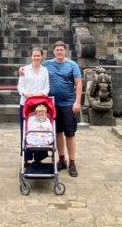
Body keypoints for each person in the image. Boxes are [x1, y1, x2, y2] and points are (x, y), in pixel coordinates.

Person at [23, 41, 83, 176]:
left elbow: (78, 84)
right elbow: (34, 65)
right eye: (57, 50)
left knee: (70, 133)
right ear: (54, 52)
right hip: (52, 105)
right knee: (57, 133)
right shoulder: (48, 64)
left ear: (65, 51)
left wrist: (77, 102)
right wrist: (21, 69)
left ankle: (72, 161)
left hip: (68, 104)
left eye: (62, 50)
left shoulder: (72, 65)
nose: (59, 52)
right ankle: (61, 159)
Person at [18, 47, 49, 161]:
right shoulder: (24, 70)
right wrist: (26, 94)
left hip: (40, 106)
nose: (36, 58)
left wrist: (42, 94)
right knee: (26, 129)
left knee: (40, 128)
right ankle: (26, 158)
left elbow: (47, 87)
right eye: (34, 56)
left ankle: (39, 157)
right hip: (26, 104)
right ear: (31, 56)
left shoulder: (44, 70)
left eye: (38, 56)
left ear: (41, 57)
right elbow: (20, 87)